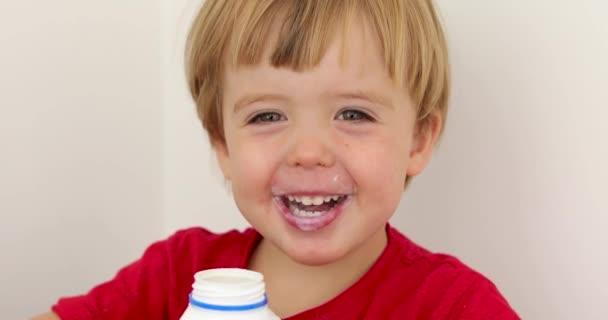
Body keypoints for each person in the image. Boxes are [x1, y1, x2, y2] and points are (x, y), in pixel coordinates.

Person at [34, 1, 519, 319]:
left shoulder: (455, 308)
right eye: (267, 115)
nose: (309, 151)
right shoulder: (176, 274)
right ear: (223, 145)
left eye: (353, 113)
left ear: (417, 139)